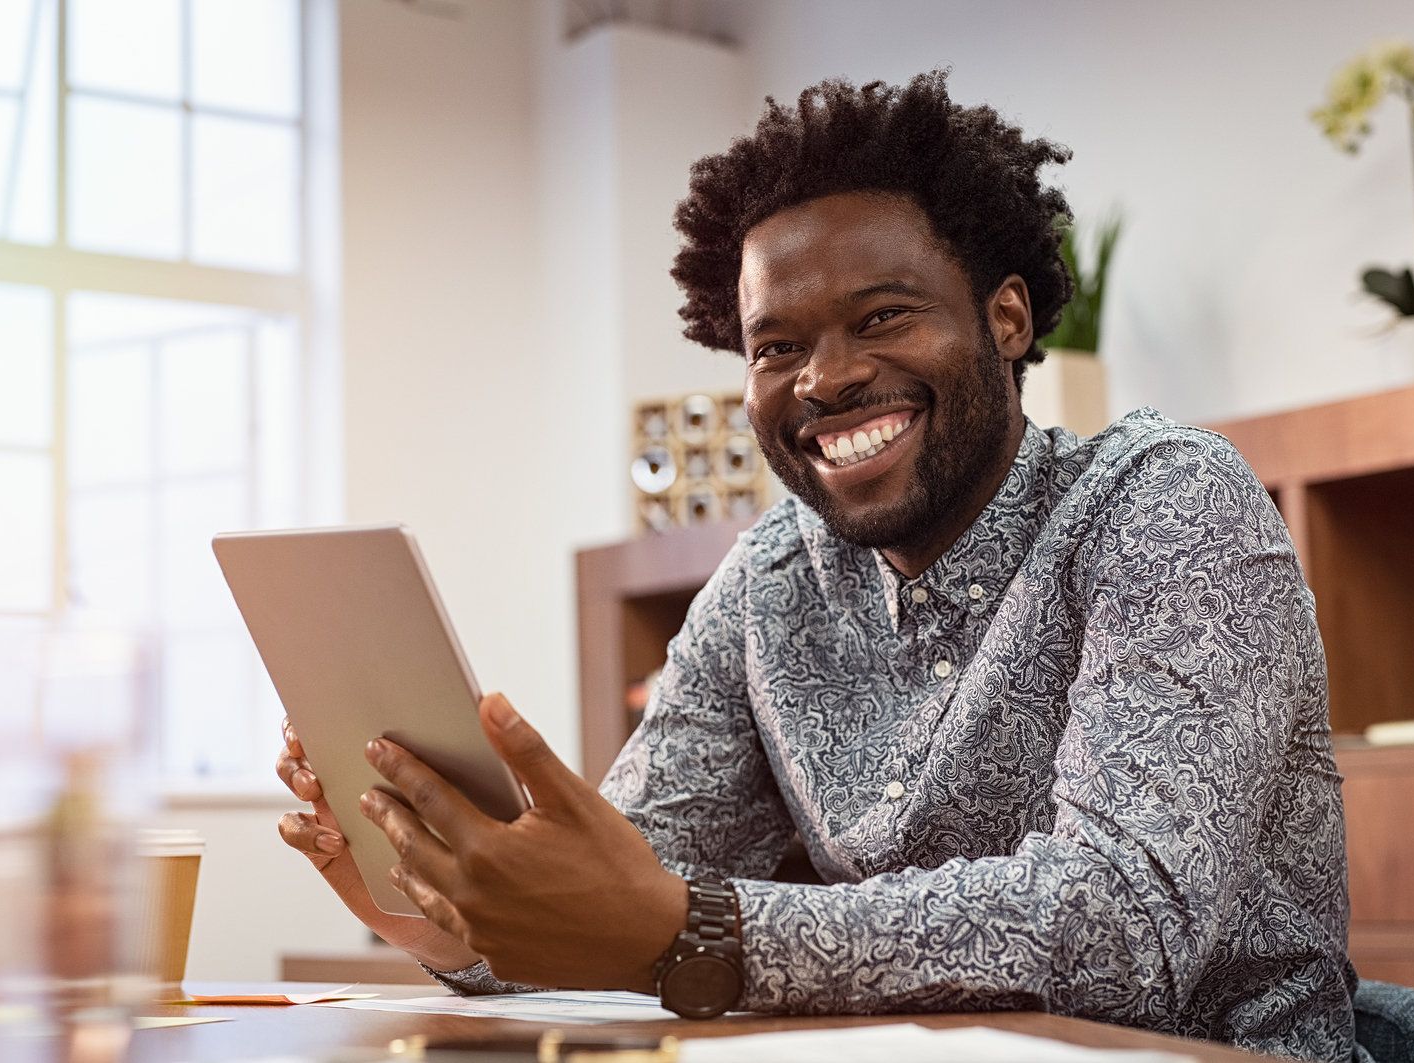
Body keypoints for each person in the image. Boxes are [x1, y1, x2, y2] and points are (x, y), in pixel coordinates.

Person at [276, 72, 1355, 1061]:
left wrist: (690, 928)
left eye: (882, 316)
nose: (826, 379)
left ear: (1006, 317)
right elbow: (614, 891)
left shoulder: (1165, 500)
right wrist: (447, 902)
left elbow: (1125, 922)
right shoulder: (768, 583)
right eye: (775, 346)